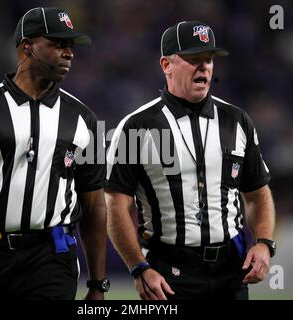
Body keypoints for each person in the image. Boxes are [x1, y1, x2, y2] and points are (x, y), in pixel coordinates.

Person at [0, 7, 108, 300]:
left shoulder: (84, 119)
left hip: (52, 256)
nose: (69, 53)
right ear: (27, 45)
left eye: (71, 46)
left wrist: (98, 284)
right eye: (58, 44)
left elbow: (94, 204)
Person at [106, 21, 276, 300]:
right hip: (168, 274)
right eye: (193, 59)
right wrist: (139, 267)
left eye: (208, 59)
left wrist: (264, 243)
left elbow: (257, 194)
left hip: (231, 271)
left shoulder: (236, 121)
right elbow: (116, 205)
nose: (204, 67)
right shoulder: (137, 126)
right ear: (166, 65)